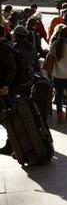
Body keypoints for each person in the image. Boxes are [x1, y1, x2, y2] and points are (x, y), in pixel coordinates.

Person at [0, 27, 17, 155]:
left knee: (7, 119)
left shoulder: (4, 48)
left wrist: (6, 86)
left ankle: (11, 144)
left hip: (4, 90)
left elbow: (11, 69)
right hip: (4, 88)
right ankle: (11, 143)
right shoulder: (6, 45)